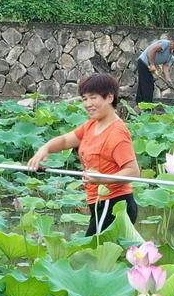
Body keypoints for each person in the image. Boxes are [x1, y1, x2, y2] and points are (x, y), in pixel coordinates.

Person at [26, 72, 141, 237]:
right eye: (84, 99)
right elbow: (66, 140)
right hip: (98, 202)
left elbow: (133, 171)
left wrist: (102, 178)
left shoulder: (117, 133)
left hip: (115, 203)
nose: (88, 104)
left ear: (109, 98)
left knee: (92, 255)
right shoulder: (92, 125)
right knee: (102, 257)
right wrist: (45, 148)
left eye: (93, 98)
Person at [135, 35, 174, 105]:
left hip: (149, 65)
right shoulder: (165, 44)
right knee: (147, 85)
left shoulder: (171, 53)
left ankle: (139, 102)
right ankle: (147, 105)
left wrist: (168, 79)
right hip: (144, 62)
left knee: (144, 84)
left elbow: (165, 66)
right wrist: (152, 64)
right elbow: (152, 51)